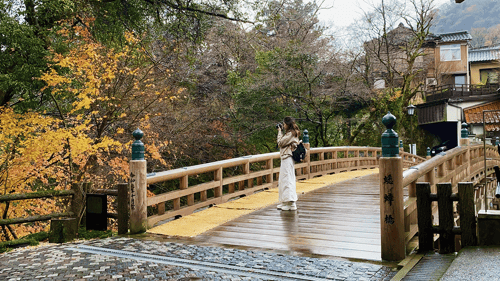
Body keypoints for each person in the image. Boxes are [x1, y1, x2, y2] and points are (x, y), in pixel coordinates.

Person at [276, 116, 301, 211]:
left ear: (287, 124)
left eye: (284, 124)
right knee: (283, 180)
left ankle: (291, 203)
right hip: (286, 158)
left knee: (287, 180)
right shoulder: (290, 133)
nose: (283, 125)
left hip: (288, 158)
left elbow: (280, 143)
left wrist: (279, 132)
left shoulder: (291, 134)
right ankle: (285, 202)